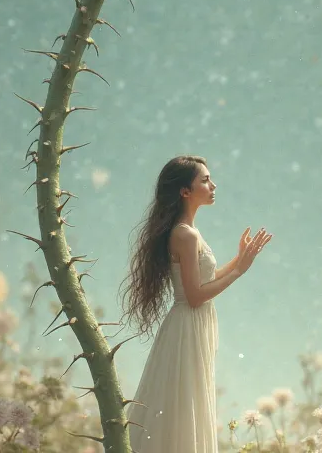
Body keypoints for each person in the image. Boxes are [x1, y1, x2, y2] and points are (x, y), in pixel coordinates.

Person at [119, 154, 272, 453]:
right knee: (181, 404)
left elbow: (205, 281)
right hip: (186, 325)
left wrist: (239, 260)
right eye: (204, 180)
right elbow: (195, 295)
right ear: (184, 191)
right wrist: (240, 271)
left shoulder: (189, 232)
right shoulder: (184, 234)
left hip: (192, 324)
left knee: (185, 402)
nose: (213, 185)